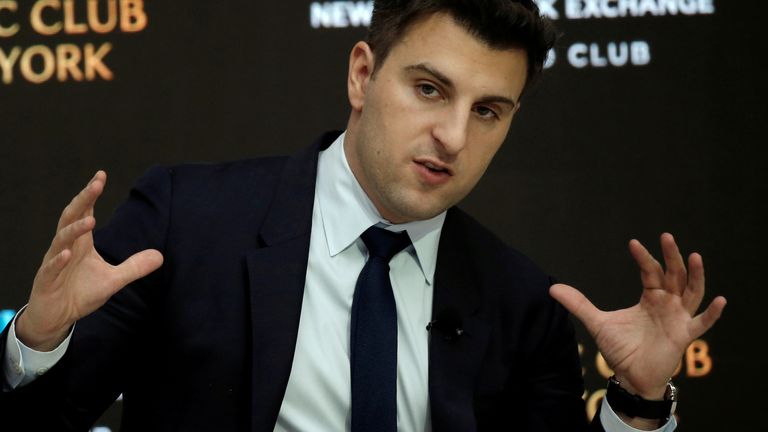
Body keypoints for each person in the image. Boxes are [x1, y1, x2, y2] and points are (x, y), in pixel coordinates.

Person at [0, 1, 726, 431]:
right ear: (361, 74)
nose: (454, 137)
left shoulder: (521, 304)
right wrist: (38, 338)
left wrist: (637, 401)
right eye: (430, 90)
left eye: (489, 111)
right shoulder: (186, 220)